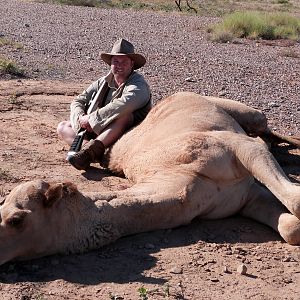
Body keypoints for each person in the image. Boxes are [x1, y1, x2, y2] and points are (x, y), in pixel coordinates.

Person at [57, 38, 152, 170]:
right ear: (110, 63)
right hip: (99, 129)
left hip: (128, 133)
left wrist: (91, 119)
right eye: (115, 61)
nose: (119, 65)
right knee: (63, 127)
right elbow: (78, 100)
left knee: (124, 116)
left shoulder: (139, 85)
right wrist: (80, 119)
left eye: (124, 61)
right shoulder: (103, 81)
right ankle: (91, 152)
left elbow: (125, 104)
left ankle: (89, 153)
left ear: (132, 63)